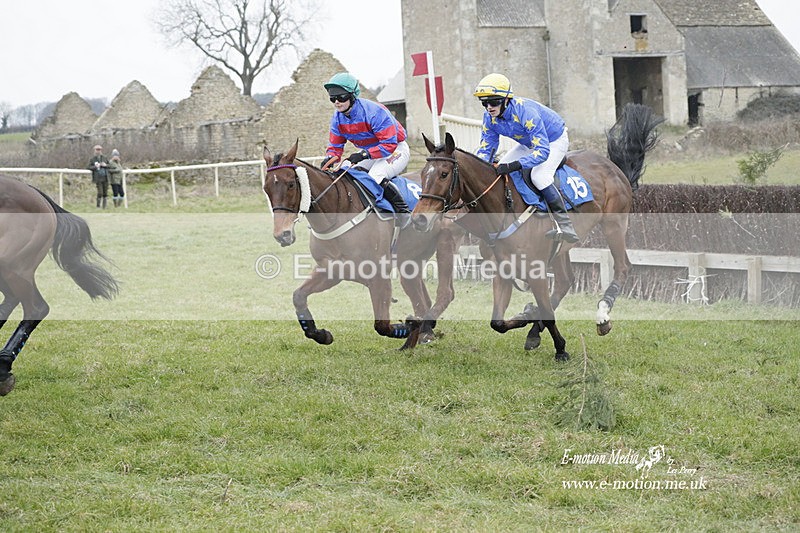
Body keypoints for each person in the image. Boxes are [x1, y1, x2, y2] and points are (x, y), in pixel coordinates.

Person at [473, 73, 578, 243]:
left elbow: (542, 151)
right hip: (527, 143)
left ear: (507, 99)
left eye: (494, 102)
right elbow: (487, 147)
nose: (489, 107)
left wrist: (516, 164)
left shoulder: (526, 112)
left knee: (539, 176)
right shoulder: (489, 118)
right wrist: (479, 167)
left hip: (553, 141)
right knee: (499, 172)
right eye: (484, 103)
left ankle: (564, 225)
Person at [321, 72, 411, 222]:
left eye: (341, 97)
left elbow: (389, 144)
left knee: (375, 176)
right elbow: (335, 147)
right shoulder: (337, 118)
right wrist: (330, 158)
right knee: (346, 173)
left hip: (395, 149)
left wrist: (363, 155)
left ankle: (403, 212)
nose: (337, 102)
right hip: (371, 152)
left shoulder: (375, 112)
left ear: (352, 95)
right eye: (333, 98)